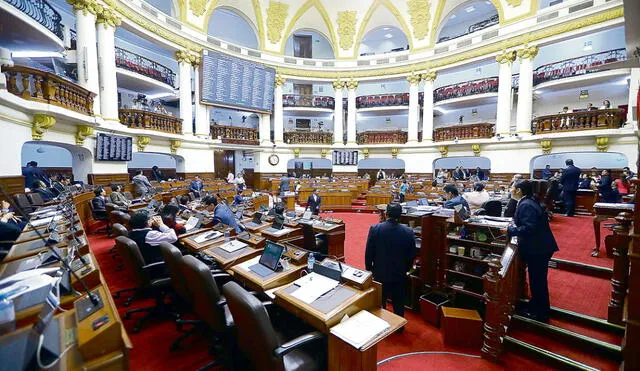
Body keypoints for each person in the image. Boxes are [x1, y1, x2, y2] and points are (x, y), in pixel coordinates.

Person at [508, 180, 558, 322]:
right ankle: (537, 306)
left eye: (512, 187)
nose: (510, 189)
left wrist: (511, 230)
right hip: (539, 246)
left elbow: (529, 228)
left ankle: (541, 314)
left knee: (538, 281)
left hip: (538, 248)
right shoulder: (529, 200)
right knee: (537, 280)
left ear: (518, 190)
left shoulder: (525, 204)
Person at [365, 202, 416, 318]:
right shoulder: (408, 231)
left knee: (380, 301)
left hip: (379, 273)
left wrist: (369, 269)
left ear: (386, 214)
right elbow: (411, 254)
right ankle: (399, 326)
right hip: (399, 273)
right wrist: (406, 269)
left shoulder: (375, 228)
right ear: (400, 216)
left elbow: (369, 252)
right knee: (398, 302)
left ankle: (381, 323)